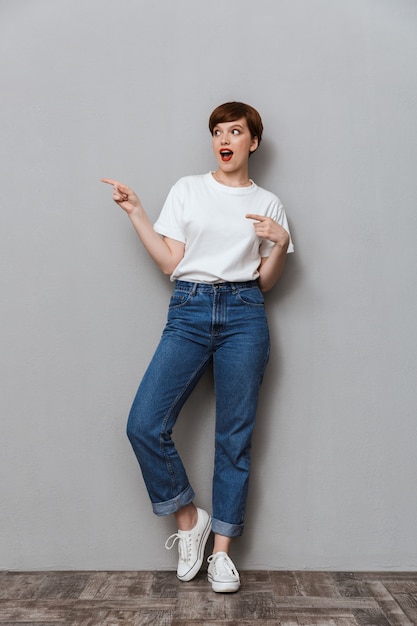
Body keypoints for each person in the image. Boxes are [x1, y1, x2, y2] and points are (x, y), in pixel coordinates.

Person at [102, 101, 294, 593]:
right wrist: (137, 212)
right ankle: (190, 518)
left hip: (245, 314)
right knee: (144, 423)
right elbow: (171, 261)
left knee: (235, 438)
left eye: (235, 131)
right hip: (189, 309)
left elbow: (267, 282)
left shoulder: (269, 203)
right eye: (217, 131)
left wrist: (280, 241)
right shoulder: (189, 189)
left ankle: (223, 556)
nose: (224, 139)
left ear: (253, 141)